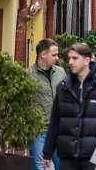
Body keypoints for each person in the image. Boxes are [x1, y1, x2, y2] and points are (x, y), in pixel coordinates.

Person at [42, 43, 96, 170]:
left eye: (75, 58)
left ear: (86, 60)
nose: (70, 62)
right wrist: (47, 152)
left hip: (94, 156)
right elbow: (55, 121)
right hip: (68, 156)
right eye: (69, 58)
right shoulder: (63, 87)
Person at [29, 39, 66, 170]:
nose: (57, 58)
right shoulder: (29, 74)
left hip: (59, 129)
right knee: (39, 166)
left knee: (62, 164)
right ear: (43, 54)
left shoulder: (61, 73)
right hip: (39, 130)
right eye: (54, 55)